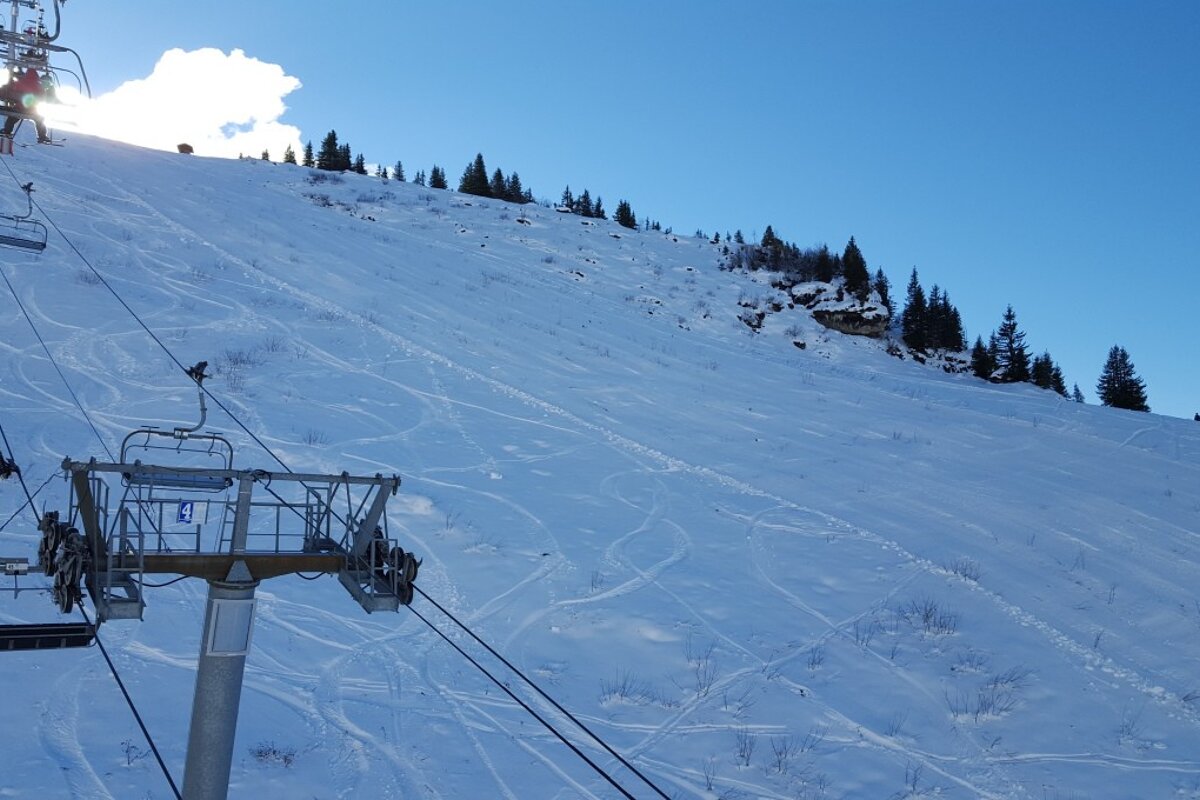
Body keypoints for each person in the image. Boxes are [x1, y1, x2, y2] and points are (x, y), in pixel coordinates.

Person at [0, 67, 51, 143]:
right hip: (32, 111)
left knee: (12, 117)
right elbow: (42, 98)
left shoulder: (20, 82)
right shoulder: (39, 86)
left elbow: (10, 91)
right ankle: (42, 136)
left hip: (19, 109)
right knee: (39, 120)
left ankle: (7, 131)